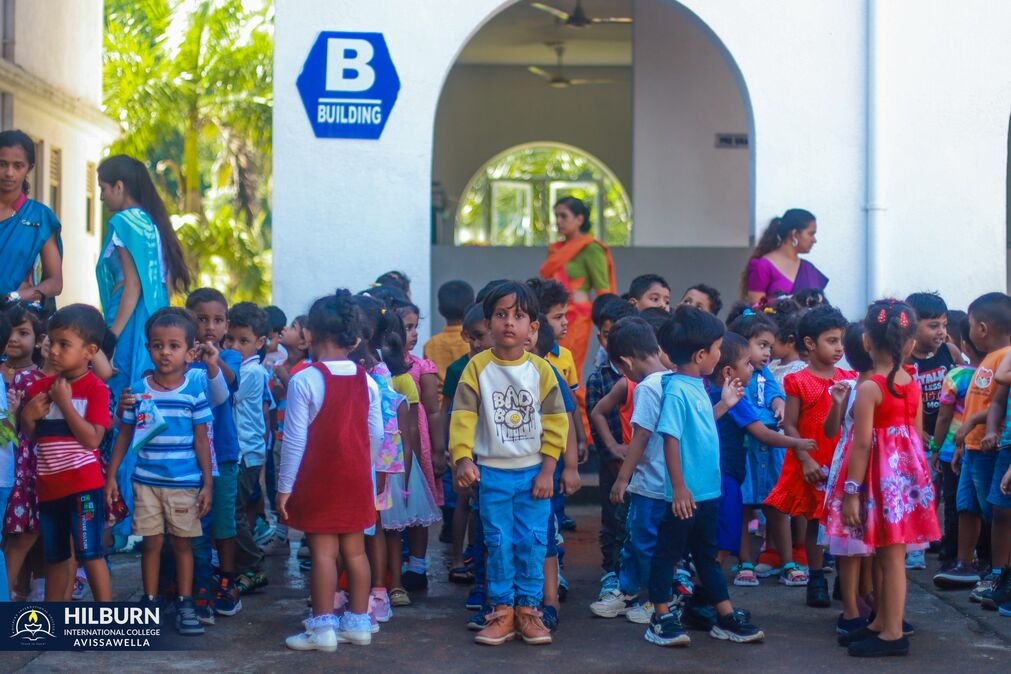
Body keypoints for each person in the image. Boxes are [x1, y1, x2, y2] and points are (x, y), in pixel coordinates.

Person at [450, 281, 569, 646]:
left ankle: (529, 612)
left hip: (535, 475)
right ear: (488, 322)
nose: (508, 323)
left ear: (533, 327)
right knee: (497, 541)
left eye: (518, 316)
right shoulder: (477, 369)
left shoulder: (542, 371)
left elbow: (556, 423)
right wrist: (463, 458)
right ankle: (501, 611)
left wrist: (549, 470)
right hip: (493, 475)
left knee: (532, 542)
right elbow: (463, 417)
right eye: (501, 315)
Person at [644, 305, 763, 647]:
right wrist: (679, 488)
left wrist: (724, 405)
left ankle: (724, 615)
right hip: (686, 495)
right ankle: (661, 616)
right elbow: (670, 437)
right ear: (700, 355)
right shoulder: (678, 390)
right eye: (716, 348)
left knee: (706, 554)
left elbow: (699, 426)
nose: (718, 354)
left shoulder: (695, 386)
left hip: (706, 491)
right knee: (668, 553)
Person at [831, 299, 940, 657]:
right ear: (909, 344)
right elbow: (916, 433)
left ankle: (893, 633)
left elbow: (861, 445)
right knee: (885, 553)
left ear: (865, 343)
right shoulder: (912, 381)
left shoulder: (869, 388)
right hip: (905, 480)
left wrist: (850, 492)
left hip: (881, 480)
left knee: (890, 557)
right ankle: (879, 623)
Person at [279, 290, 382, 652]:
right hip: (355, 479)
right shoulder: (367, 381)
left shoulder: (305, 380)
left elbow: (293, 442)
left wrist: (284, 488)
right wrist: (361, 469)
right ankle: (359, 623)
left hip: (320, 480)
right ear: (352, 337)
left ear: (309, 334)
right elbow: (377, 434)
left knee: (323, 553)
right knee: (356, 553)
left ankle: (322, 630)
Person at [105, 308, 213, 635]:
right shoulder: (138, 391)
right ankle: (150, 601)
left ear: (190, 351)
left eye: (174, 345)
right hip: (146, 483)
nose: (165, 352)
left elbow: (201, 441)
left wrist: (207, 483)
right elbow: (124, 435)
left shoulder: (194, 391)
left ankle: (185, 603)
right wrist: (110, 476)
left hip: (184, 484)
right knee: (150, 543)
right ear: (148, 348)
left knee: (183, 545)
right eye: (157, 345)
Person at [21, 305, 112, 601]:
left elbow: (93, 440)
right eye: (52, 342)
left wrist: (67, 404)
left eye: (64, 344)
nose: (54, 351)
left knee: (90, 553)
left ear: (90, 351)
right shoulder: (40, 388)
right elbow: (36, 437)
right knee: (57, 557)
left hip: (83, 489)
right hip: (49, 489)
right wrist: (28, 416)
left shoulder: (96, 389)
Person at [764, 305, 853, 604]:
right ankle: (816, 578)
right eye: (832, 340)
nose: (839, 347)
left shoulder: (849, 378)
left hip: (841, 460)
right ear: (810, 344)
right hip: (813, 459)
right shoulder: (798, 380)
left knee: (845, 519)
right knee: (816, 520)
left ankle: (845, 576)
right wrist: (804, 458)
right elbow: (789, 423)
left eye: (841, 340)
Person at [590, 317, 672, 623]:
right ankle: (628, 591)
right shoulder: (676, 379)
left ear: (625, 362)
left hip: (652, 480)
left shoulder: (650, 386)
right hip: (655, 478)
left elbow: (641, 435)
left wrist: (622, 477)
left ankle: (658, 599)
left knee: (646, 540)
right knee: (638, 538)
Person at [96, 155, 191, 399]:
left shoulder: (124, 221)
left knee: (120, 383)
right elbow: (165, 281)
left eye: (103, 188)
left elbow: (133, 284)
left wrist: (112, 336)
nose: (101, 197)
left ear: (119, 186)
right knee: (147, 382)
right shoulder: (152, 222)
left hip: (127, 314)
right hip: (155, 313)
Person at [940, 293, 1011, 589]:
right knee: (965, 505)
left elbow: (998, 406)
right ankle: (964, 563)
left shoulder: (1004, 359)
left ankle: (998, 571)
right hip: (970, 447)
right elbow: (976, 406)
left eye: (969, 325)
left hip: (988, 448)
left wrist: (975, 427)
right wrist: (960, 443)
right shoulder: (985, 361)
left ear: (982, 328)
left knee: (995, 509)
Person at [185, 288, 243, 615]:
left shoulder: (229, 355)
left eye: (217, 320)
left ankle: (228, 579)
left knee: (223, 521)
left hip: (222, 450)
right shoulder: (179, 354)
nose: (209, 326)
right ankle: (196, 582)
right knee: (195, 522)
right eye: (201, 318)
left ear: (226, 325)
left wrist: (213, 357)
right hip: (188, 454)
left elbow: (231, 380)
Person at [822, 323, 876, 636]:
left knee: (870, 542)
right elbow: (832, 432)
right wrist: (838, 405)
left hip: (875, 470)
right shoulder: (852, 387)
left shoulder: (883, 385)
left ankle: (866, 596)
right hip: (851, 472)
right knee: (850, 542)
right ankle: (850, 608)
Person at [586, 299, 638, 601]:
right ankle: (612, 573)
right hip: (613, 464)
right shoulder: (601, 377)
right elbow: (597, 417)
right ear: (601, 338)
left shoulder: (645, 376)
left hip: (643, 466)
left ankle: (634, 575)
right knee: (613, 520)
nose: (613, 341)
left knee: (638, 521)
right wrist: (612, 451)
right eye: (607, 334)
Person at [904, 291, 960, 570]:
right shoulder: (904, 359)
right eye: (933, 325)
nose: (941, 332)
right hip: (918, 438)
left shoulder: (948, 352)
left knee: (944, 492)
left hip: (947, 436)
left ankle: (934, 536)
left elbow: (964, 382)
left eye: (944, 324)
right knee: (921, 492)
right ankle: (916, 547)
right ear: (913, 325)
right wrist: (916, 433)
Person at [539, 196, 617, 383]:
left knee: (568, 364)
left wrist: (608, 324)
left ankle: (575, 408)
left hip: (577, 316)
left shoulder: (591, 248)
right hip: (550, 315)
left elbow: (603, 289)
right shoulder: (556, 249)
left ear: (580, 219)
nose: (558, 221)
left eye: (564, 216)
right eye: (556, 216)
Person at [398, 301, 446, 591]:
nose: (414, 333)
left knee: (417, 506)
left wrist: (439, 450)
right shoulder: (376, 369)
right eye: (407, 327)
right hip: (392, 445)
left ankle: (417, 564)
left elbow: (434, 410)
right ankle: (395, 563)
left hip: (419, 446)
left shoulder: (421, 368)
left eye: (416, 326)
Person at [226, 301, 270, 594]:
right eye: (231, 339)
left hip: (246, 452)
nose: (236, 346)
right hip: (243, 451)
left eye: (244, 341)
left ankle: (252, 565)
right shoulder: (240, 368)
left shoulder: (252, 373)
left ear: (260, 342)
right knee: (234, 509)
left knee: (234, 511)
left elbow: (227, 394)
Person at [931, 317, 981, 570]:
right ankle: (981, 557)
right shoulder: (995, 374)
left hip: (952, 450)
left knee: (954, 504)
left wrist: (935, 449)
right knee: (979, 504)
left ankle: (951, 555)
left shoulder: (956, 375)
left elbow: (943, 417)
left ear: (965, 346)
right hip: (983, 448)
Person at [261, 314, 311, 556]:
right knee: (281, 484)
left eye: (293, 327)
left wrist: (285, 380)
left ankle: (307, 537)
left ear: (303, 342)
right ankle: (281, 533)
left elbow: (303, 397)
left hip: (299, 440)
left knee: (301, 485)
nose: (285, 329)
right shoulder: (279, 363)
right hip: (280, 435)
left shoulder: (307, 368)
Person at [0, 130, 62, 306]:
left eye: (18, 166)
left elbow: (55, 282)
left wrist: (13, 297)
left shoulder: (40, 217)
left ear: (30, 168)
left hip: (17, 322)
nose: (9, 173)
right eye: (2, 164)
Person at [742, 208, 827, 306]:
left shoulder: (809, 269)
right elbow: (756, 308)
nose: (814, 240)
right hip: (773, 321)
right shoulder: (763, 266)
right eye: (811, 234)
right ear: (794, 234)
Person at [424, 280, 475, 401]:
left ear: (440, 309)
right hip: (469, 403)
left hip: (439, 404)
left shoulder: (431, 344)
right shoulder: (472, 341)